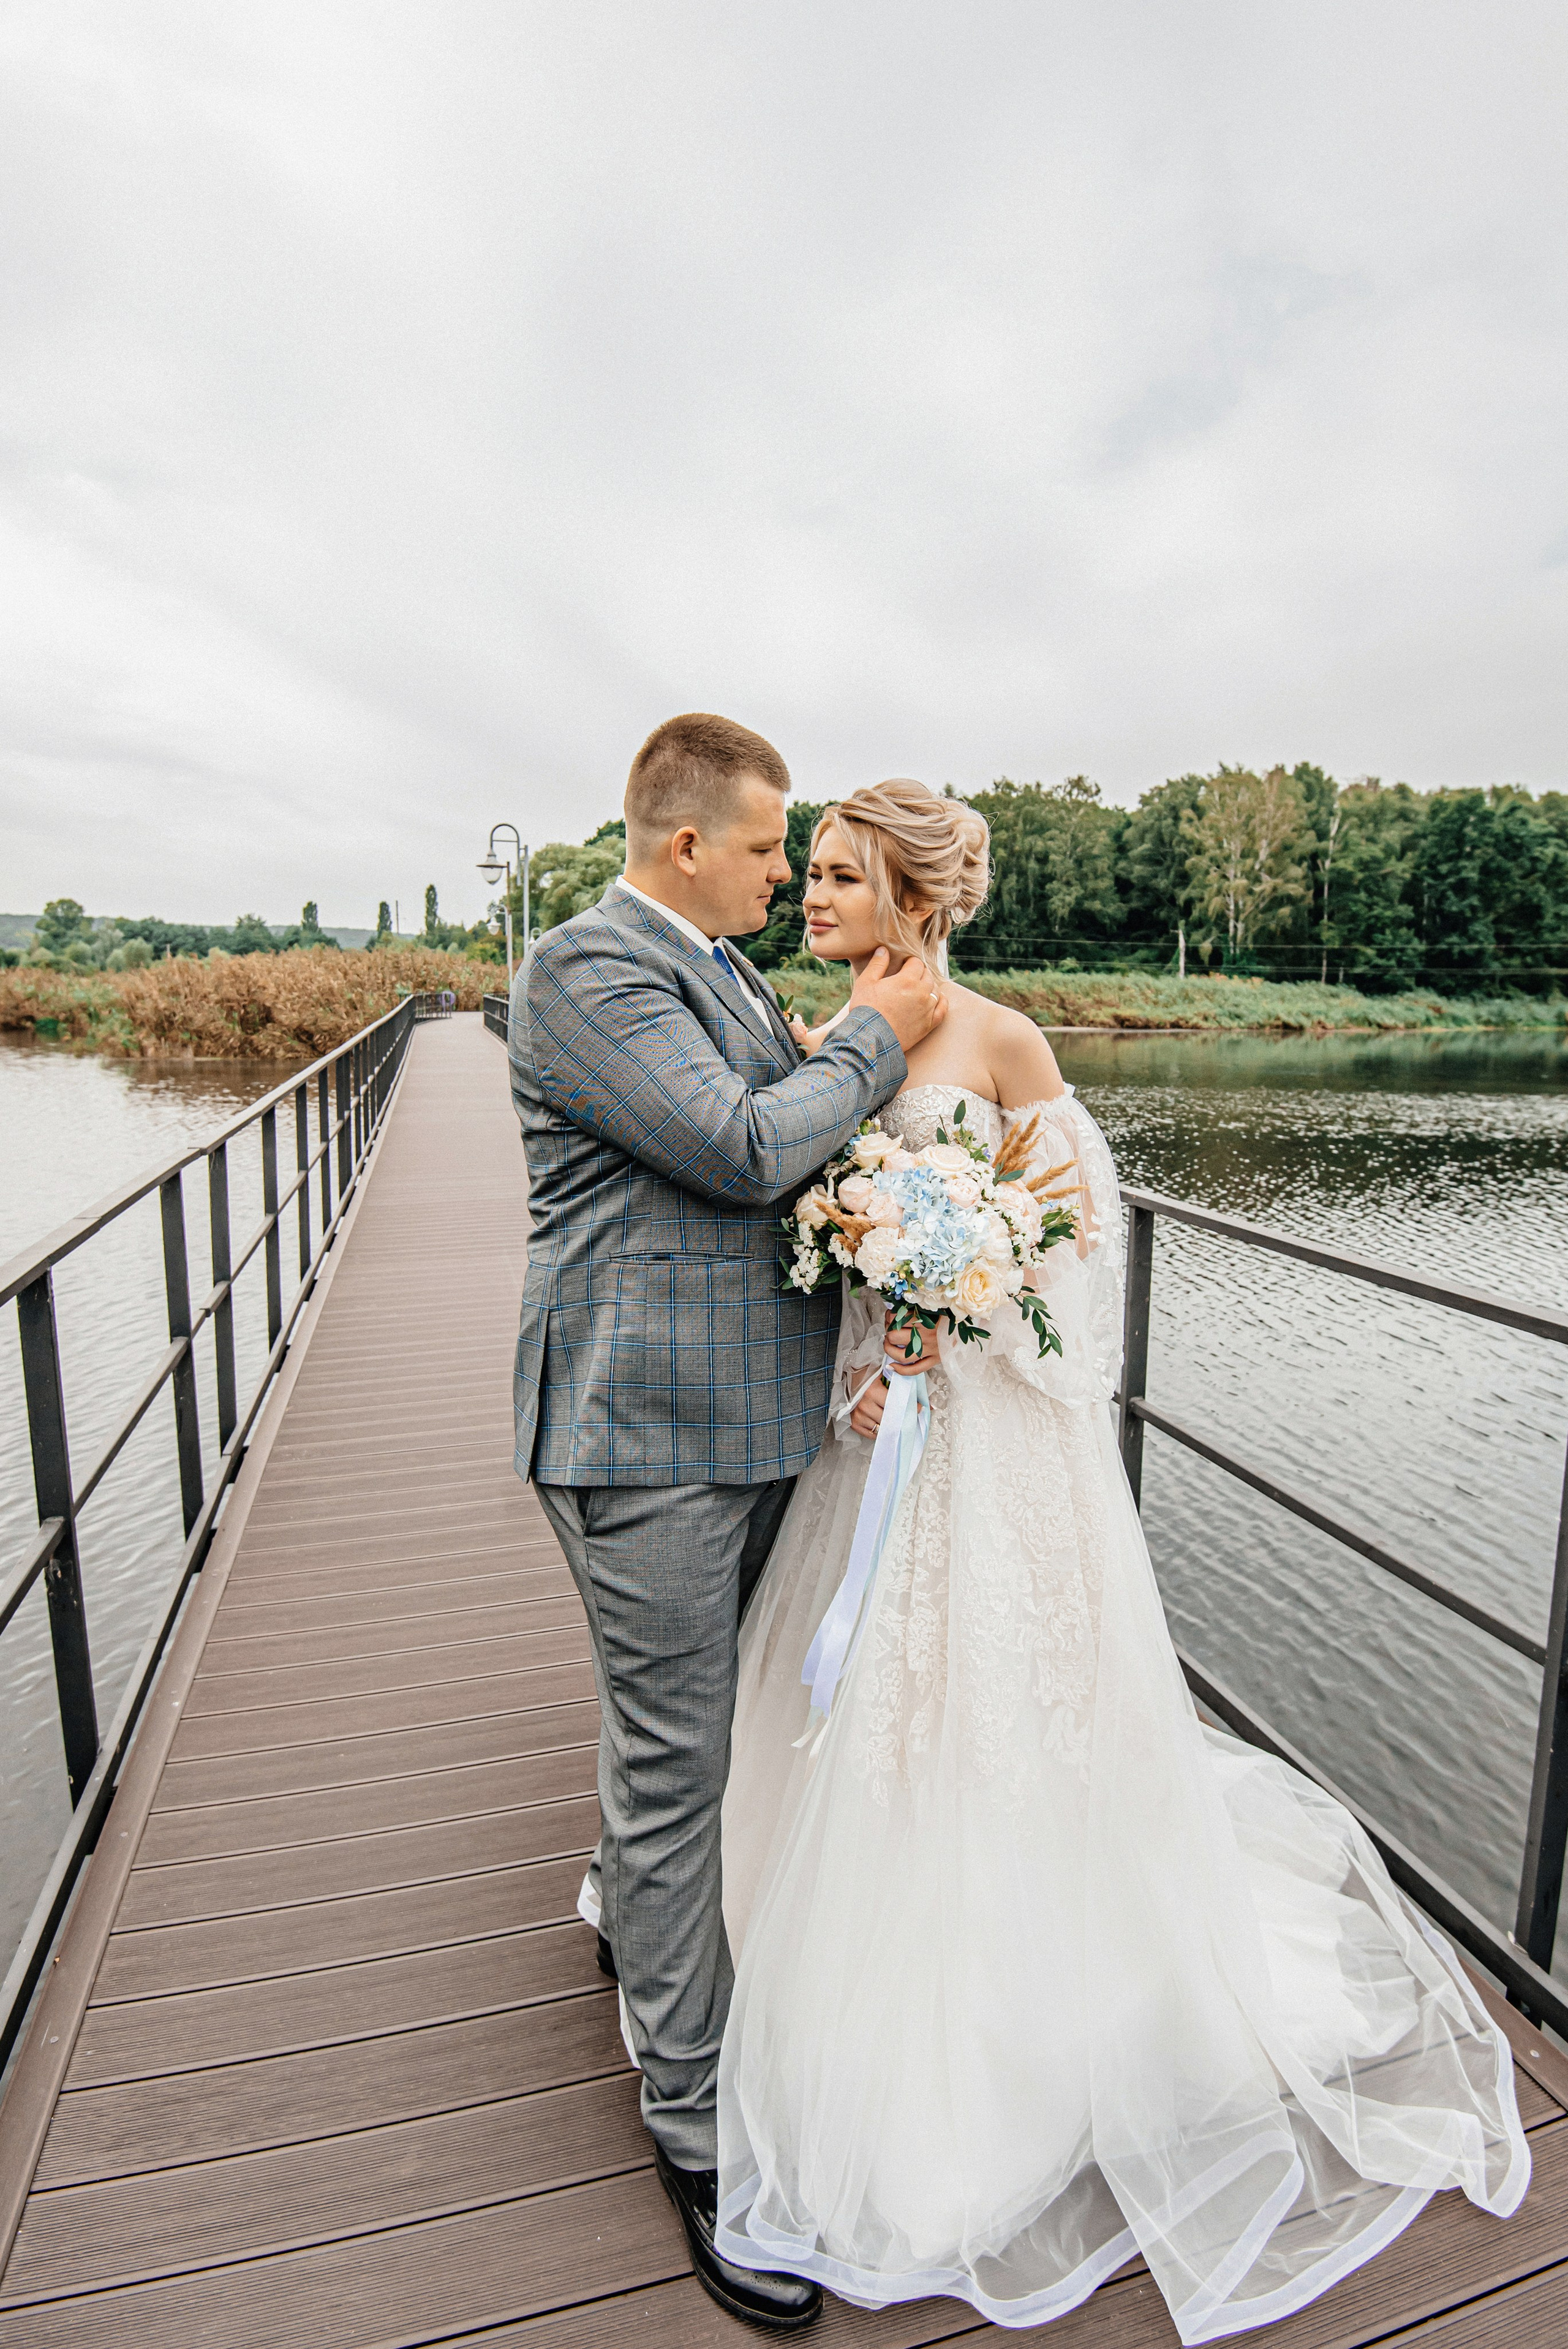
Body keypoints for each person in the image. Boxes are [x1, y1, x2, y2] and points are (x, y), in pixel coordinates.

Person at [714, 779, 1529, 2341]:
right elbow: (816, 1247)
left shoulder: (1005, 1045)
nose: (809, 896)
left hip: (993, 1443)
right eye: (805, 872)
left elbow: (1069, 1249)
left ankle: (1048, 2023)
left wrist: (967, 1317)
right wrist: (868, 1360)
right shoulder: (822, 1042)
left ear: (914, 895)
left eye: (835, 876)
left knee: (1004, 1714)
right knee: (868, 1707)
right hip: (873, 1434)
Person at [507, 715, 946, 2331]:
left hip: (756, 1433)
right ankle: (696, 2132)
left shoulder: (729, 972)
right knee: (683, 1758)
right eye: (772, 848)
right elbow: (749, 1146)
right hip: (645, 1439)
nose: (788, 869)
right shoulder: (584, 970)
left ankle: (637, 1907)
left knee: (685, 1737)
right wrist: (884, 1035)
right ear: (687, 843)